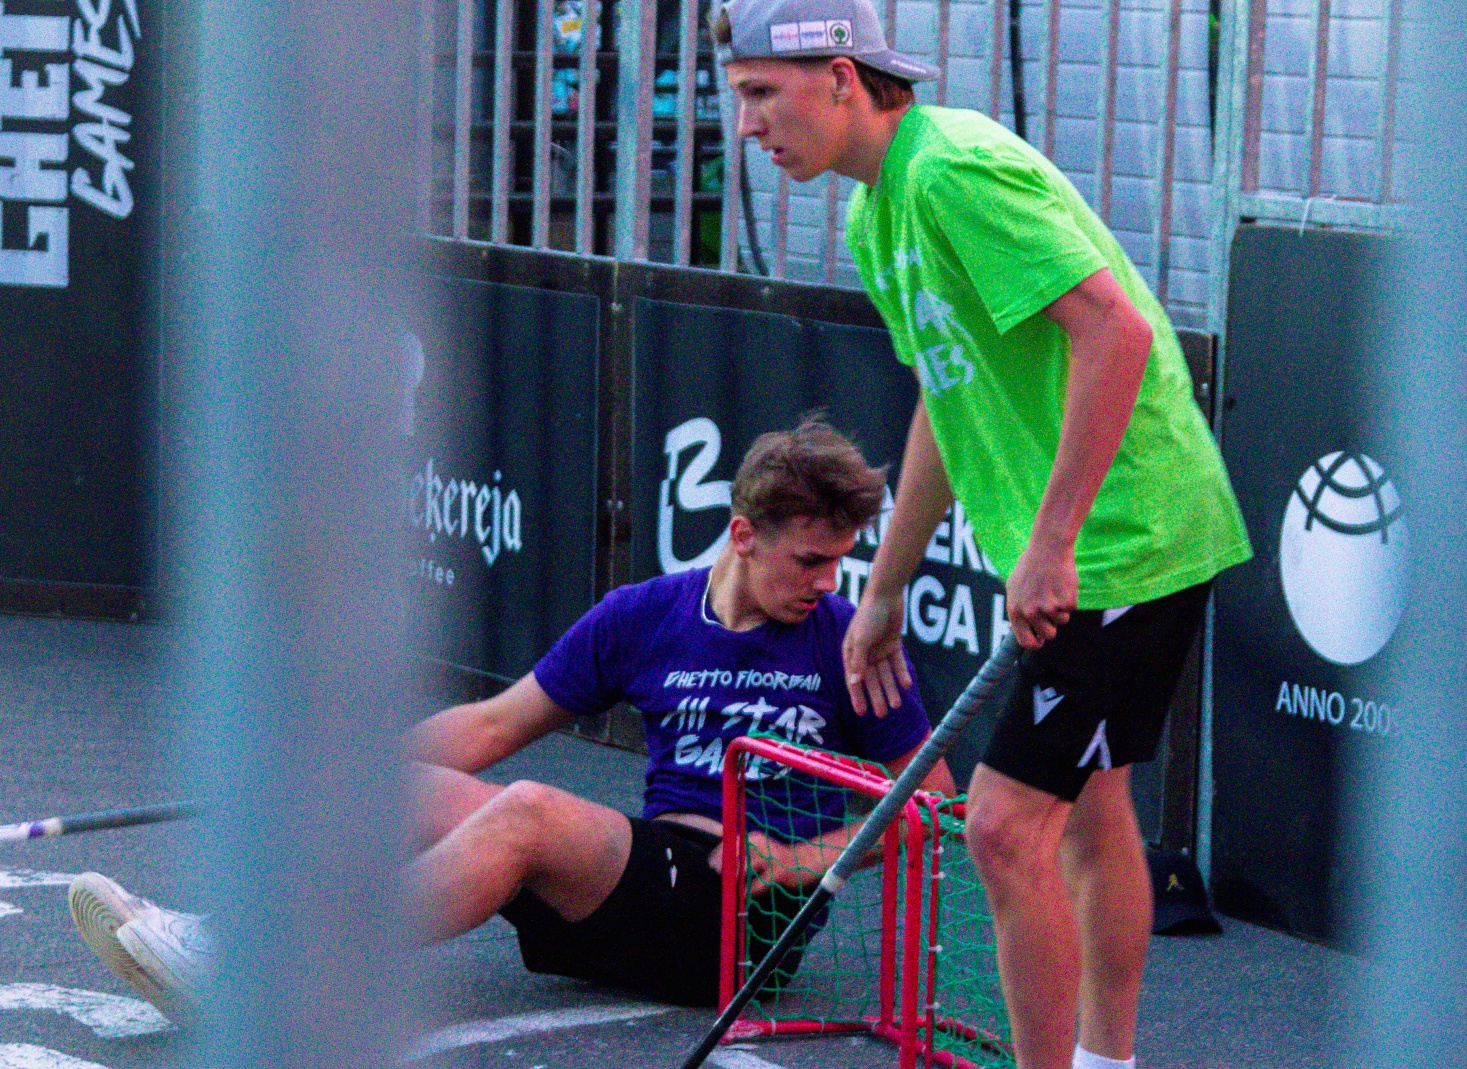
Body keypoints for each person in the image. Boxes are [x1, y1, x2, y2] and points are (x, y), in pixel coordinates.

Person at [719, 0, 1252, 1069]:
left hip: (1128, 542)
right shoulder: (877, 213)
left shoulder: (954, 172)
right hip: (1093, 544)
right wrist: (883, 586)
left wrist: (1054, 540)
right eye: (739, 97)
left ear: (841, 77)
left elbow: (1118, 334)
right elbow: (950, 404)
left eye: (764, 93)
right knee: (1091, 811)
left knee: (1006, 827)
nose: (748, 124)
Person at [68, 419, 946, 1020]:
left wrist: (804, 861)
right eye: (811, 560)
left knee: (527, 813)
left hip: (745, 924)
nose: (830, 582)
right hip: (647, 882)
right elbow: (493, 725)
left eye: (842, 561)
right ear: (744, 536)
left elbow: (936, 802)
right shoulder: (645, 615)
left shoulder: (852, 639)